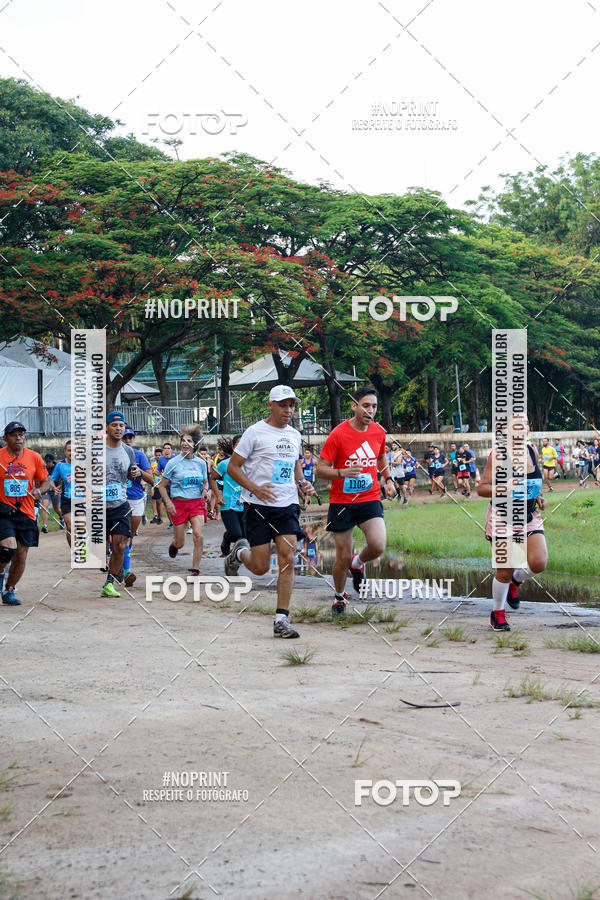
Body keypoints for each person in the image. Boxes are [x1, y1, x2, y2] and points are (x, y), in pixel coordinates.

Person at [224, 384, 314, 638]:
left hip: (286, 505)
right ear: (271, 406)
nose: (288, 410)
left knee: (288, 558)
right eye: (283, 405)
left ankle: (281, 619)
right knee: (261, 567)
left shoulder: (294, 435)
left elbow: (294, 467)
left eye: (292, 405)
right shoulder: (255, 433)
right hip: (257, 506)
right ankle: (239, 554)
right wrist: (256, 488)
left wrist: (301, 482)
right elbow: (233, 468)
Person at [316, 386, 394, 615]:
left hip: (369, 497)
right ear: (354, 406)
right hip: (342, 502)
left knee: (378, 544)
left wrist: (387, 479)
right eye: (366, 405)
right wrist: (342, 473)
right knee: (341, 554)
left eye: (374, 406)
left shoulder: (379, 431)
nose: (370, 410)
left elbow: (380, 456)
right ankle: (339, 597)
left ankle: (357, 564)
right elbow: (320, 470)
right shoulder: (338, 434)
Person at [478, 420, 548, 631]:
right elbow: (481, 489)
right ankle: (497, 613)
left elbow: (533, 480)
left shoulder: (531, 450)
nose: (521, 428)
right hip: (502, 517)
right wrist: (504, 487)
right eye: (515, 424)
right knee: (504, 569)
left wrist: (539, 496)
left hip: (528, 515)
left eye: (524, 424)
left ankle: (516, 583)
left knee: (538, 563)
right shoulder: (498, 455)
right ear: (505, 429)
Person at [0, 422, 53, 605]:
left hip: (27, 512)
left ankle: (9, 590)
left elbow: (45, 481)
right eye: (13, 434)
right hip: (4, 511)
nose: (18, 437)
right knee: (8, 548)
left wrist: (41, 490)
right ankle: (0, 575)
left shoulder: (34, 457)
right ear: (5, 438)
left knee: (21, 554)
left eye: (21, 434)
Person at [158, 426, 208, 576]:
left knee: (198, 535)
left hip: (196, 503)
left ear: (195, 444)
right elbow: (161, 486)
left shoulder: (201, 463)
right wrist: (168, 502)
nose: (185, 443)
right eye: (183, 441)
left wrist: (205, 490)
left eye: (189, 441)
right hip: (178, 504)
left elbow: (205, 482)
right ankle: (175, 544)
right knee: (180, 542)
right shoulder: (173, 463)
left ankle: (195, 569)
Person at [102, 411, 139, 597]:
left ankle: (109, 583)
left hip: (120, 505)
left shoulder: (128, 451)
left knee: (120, 545)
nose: (118, 429)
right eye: (114, 425)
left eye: (121, 426)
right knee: (95, 547)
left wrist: (133, 474)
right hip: (98, 506)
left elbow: (130, 473)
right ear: (107, 427)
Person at [122, 428, 153, 583]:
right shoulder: (112, 455)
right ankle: (127, 572)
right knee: (122, 536)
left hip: (136, 499)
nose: (127, 440)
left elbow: (152, 479)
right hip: (117, 499)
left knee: (129, 536)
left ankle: (120, 557)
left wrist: (140, 472)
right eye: (124, 437)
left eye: (130, 437)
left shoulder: (140, 456)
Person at [210, 435, 245, 557]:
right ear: (233, 447)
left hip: (245, 505)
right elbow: (212, 478)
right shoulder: (224, 464)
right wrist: (218, 495)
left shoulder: (250, 464)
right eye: (238, 445)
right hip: (228, 504)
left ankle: (236, 554)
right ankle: (226, 539)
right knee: (236, 534)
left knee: (244, 536)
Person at [48, 441, 73, 548]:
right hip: (67, 499)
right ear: (65, 452)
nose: (72, 452)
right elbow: (50, 479)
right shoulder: (60, 465)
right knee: (70, 526)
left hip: (83, 500)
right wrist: (54, 487)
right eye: (69, 450)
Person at [157, 442, 175, 526]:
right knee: (167, 504)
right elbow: (159, 471)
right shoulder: (161, 460)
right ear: (163, 450)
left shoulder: (175, 458)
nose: (167, 450)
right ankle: (171, 522)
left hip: (175, 485)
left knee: (176, 503)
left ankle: (178, 521)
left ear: (171, 450)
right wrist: (156, 472)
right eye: (165, 448)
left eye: (168, 448)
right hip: (165, 485)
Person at [150, 448, 164, 523]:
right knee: (153, 499)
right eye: (156, 455)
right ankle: (155, 515)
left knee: (160, 501)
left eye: (159, 455)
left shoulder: (164, 463)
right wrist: (152, 484)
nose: (158, 457)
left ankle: (160, 517)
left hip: (162, 484)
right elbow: (151, 474)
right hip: (155, 483)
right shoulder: (153, 464)